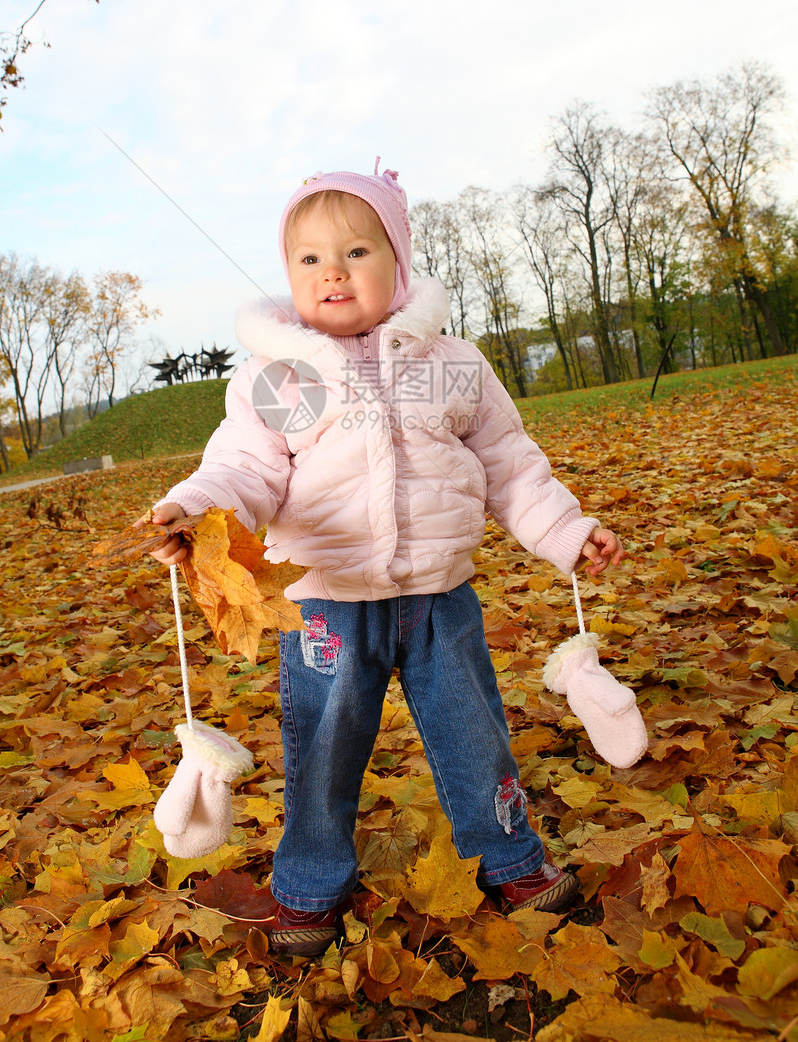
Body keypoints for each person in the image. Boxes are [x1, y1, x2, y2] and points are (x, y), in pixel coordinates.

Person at [147, 162, 624, 958]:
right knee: (323, 747)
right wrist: (193, 511)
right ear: (289, 275)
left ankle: (511, 856)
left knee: (476, 734)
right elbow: (246, 469)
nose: (332, 271)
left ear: (398, 265)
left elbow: (510, 463)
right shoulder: (279, 378)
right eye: (309, 259)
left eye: (357, 252)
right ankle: (308, 885)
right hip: (327, 602)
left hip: (441, 597)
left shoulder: (451, 363)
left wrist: (567, 533)